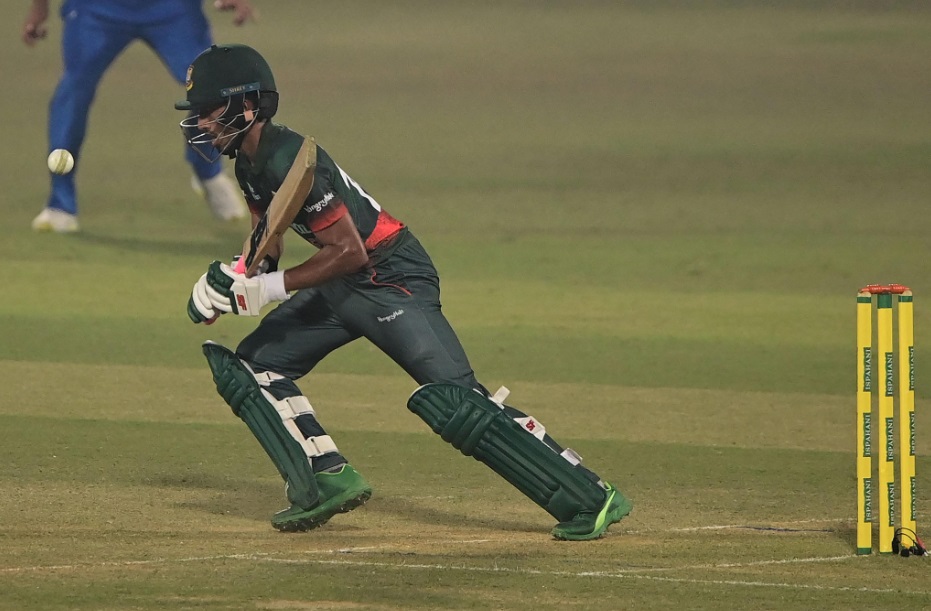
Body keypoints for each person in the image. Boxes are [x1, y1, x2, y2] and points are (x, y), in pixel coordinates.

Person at [180, 43, 633, 540]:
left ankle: (590, 497)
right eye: (198, 113)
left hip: (389, 275)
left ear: (249, 105)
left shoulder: (288, 156)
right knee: (252, 368)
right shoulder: (249, 164)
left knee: (456, 403)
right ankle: (324, 480)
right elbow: (268, 238)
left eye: (209, 110)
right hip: (341, 283)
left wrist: (268, 287)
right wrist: (232, 279)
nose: (202, 123)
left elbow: (349, 251)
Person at [22, 0, 256, 233]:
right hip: (96, 8)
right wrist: (39, 7)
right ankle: (60, 205)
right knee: (74, 90)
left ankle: (207, 171)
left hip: (173, 7)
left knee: (214, 89)